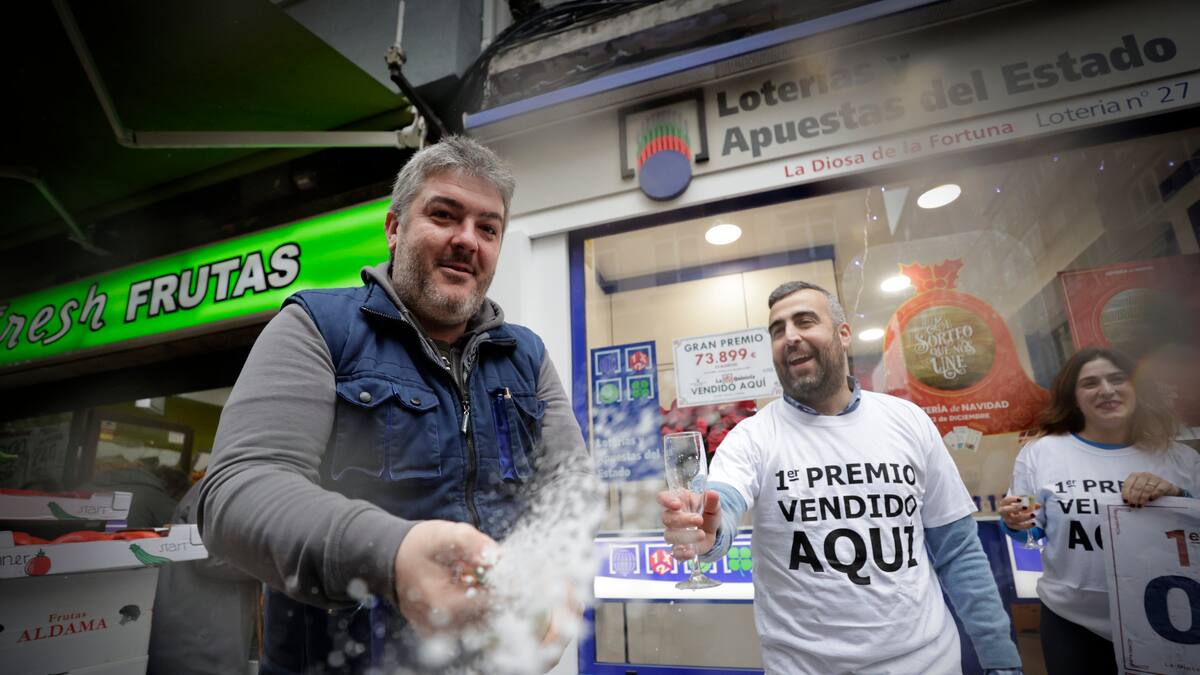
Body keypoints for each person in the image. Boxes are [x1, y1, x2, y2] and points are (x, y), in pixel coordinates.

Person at [198, 136, 593, 673]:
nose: (467, 240)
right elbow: (237, 493)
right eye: (444, 214)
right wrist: (393, 553)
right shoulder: (317, 327)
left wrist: (560, 579)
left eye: (488, 228)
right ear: (394, 227)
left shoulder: (525, 354)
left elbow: (568, 487)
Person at [659, 281, 1022, 674]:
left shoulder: (907, 421)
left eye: (804, 321)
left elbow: (958, 551)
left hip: (928, 663)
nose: (790, 337)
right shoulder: (752, 436)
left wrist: (1000, 660)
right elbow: (723, 503)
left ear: (843, 334)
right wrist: (709, 534)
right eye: (777, 330)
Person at [998, 347, 1199, 675]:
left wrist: (1177, 495)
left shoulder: (1178, 459)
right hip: (1071, 621)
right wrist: (1016, 523)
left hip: (1169, 620)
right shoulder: (1042, 453)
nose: (1106, 390)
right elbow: (1029, 531)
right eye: (1090, 383)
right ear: (1074, 397)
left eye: (1117, 379)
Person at [148, 480, 261, 675]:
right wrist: (274, 564)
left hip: (205, 626)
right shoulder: (226, 485)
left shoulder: (231, 484)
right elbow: (209, 555)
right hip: (202, 633)